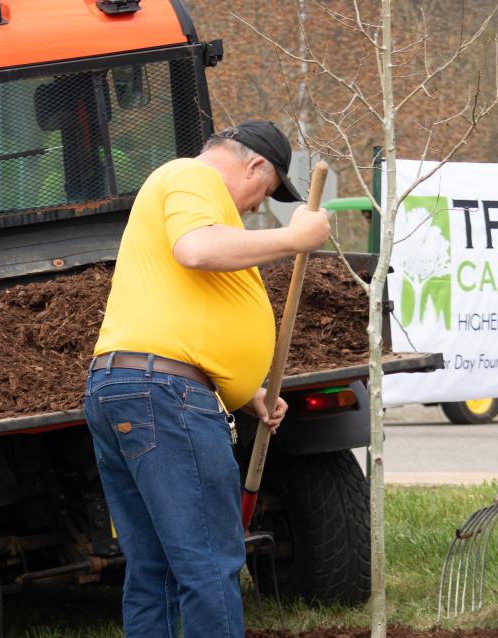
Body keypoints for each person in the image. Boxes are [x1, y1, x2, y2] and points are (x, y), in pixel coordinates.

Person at [83, 120, 330, 638]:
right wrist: (294, 238)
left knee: (156, 567)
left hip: (134, 388)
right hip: (162, 395)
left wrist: (246, 393)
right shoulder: (191, 178)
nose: (255, 207)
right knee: (210, 562)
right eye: (262, 193)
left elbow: (195, 305)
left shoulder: (196, 198)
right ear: (254, 165)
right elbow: (195, 250)